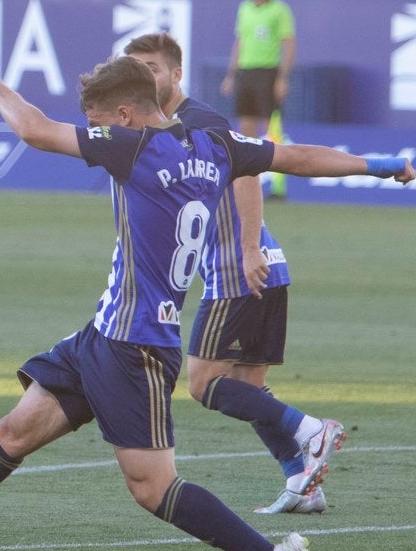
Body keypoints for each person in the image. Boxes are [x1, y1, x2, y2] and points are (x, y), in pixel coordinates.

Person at [0, 57, 415, 551]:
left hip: (137, 348)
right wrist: (378, 166)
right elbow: (300, 157)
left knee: (153, 488)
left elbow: (35, 130)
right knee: (16, 431)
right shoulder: (216, 144)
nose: (91, 131)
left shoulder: (135, 148)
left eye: (96, 120)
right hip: (105, 333)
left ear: (124, 116)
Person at [125, 32, 327, 515]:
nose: (144, 77)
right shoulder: (163, 126)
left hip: (240, 269)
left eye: (152, 67)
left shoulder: (200, 122)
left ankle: (309, 430)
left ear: (176, 73)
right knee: (248, 387)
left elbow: (248, 171)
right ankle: (302, 480)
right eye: (136, 69)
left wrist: (249, 247)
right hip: (263, 267)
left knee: (203, 384)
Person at [221, 0, 296, 199]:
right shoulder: (244, 9)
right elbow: (240, 41)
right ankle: (248, 182)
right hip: (246, 71)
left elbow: (289, 44)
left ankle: (279, 185)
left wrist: (283, 77)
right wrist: (231, 74)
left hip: (268, 71)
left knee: (271, 126)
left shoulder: (279, 10)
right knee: (246, 128)